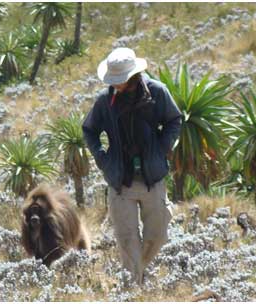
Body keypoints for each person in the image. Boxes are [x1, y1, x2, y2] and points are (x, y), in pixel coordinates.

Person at [82, 47, 183, 284]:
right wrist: (102, 159)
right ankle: (134, 289)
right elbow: (89, 130)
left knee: (157, 237)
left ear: (132, 76)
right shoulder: (105, 102)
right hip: (120, 183)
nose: (115, 84)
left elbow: (174, 120)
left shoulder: (158, 93)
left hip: (152, 178)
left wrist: (162, 149)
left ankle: (138, 271)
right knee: (127, 239)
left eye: (120, 80)